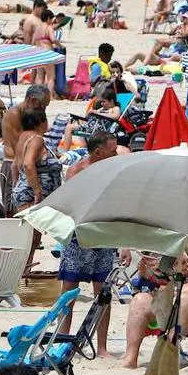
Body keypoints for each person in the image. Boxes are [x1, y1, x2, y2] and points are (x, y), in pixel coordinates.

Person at [57, 133, 121, 354]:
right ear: (98, 152)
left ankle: (101, 346)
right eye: (112, 150)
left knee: (103, 292)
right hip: (79, 235)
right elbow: (72, 206)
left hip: (104, 234)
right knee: (68, 291)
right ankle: (64, 341)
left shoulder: (113, 170)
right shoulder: (76, 172)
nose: (115, 153)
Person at [1, 85, 51, 214]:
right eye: (42, 105)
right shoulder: (14, 114)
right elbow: (19, 146)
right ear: (33, 100)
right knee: (12, 213)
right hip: (14, 164)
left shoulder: (34, 114)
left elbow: (43, 130)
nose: (44, 109)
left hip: (28, 166)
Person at [10, 106, 62, 212]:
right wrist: (37, 191)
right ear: (41, 122)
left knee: (27, 229)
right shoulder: (36, 139)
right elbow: (28, 164)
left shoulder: (23, 138)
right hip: (33, 197)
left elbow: (14, 166)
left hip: (23, 192)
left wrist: (17, 186)